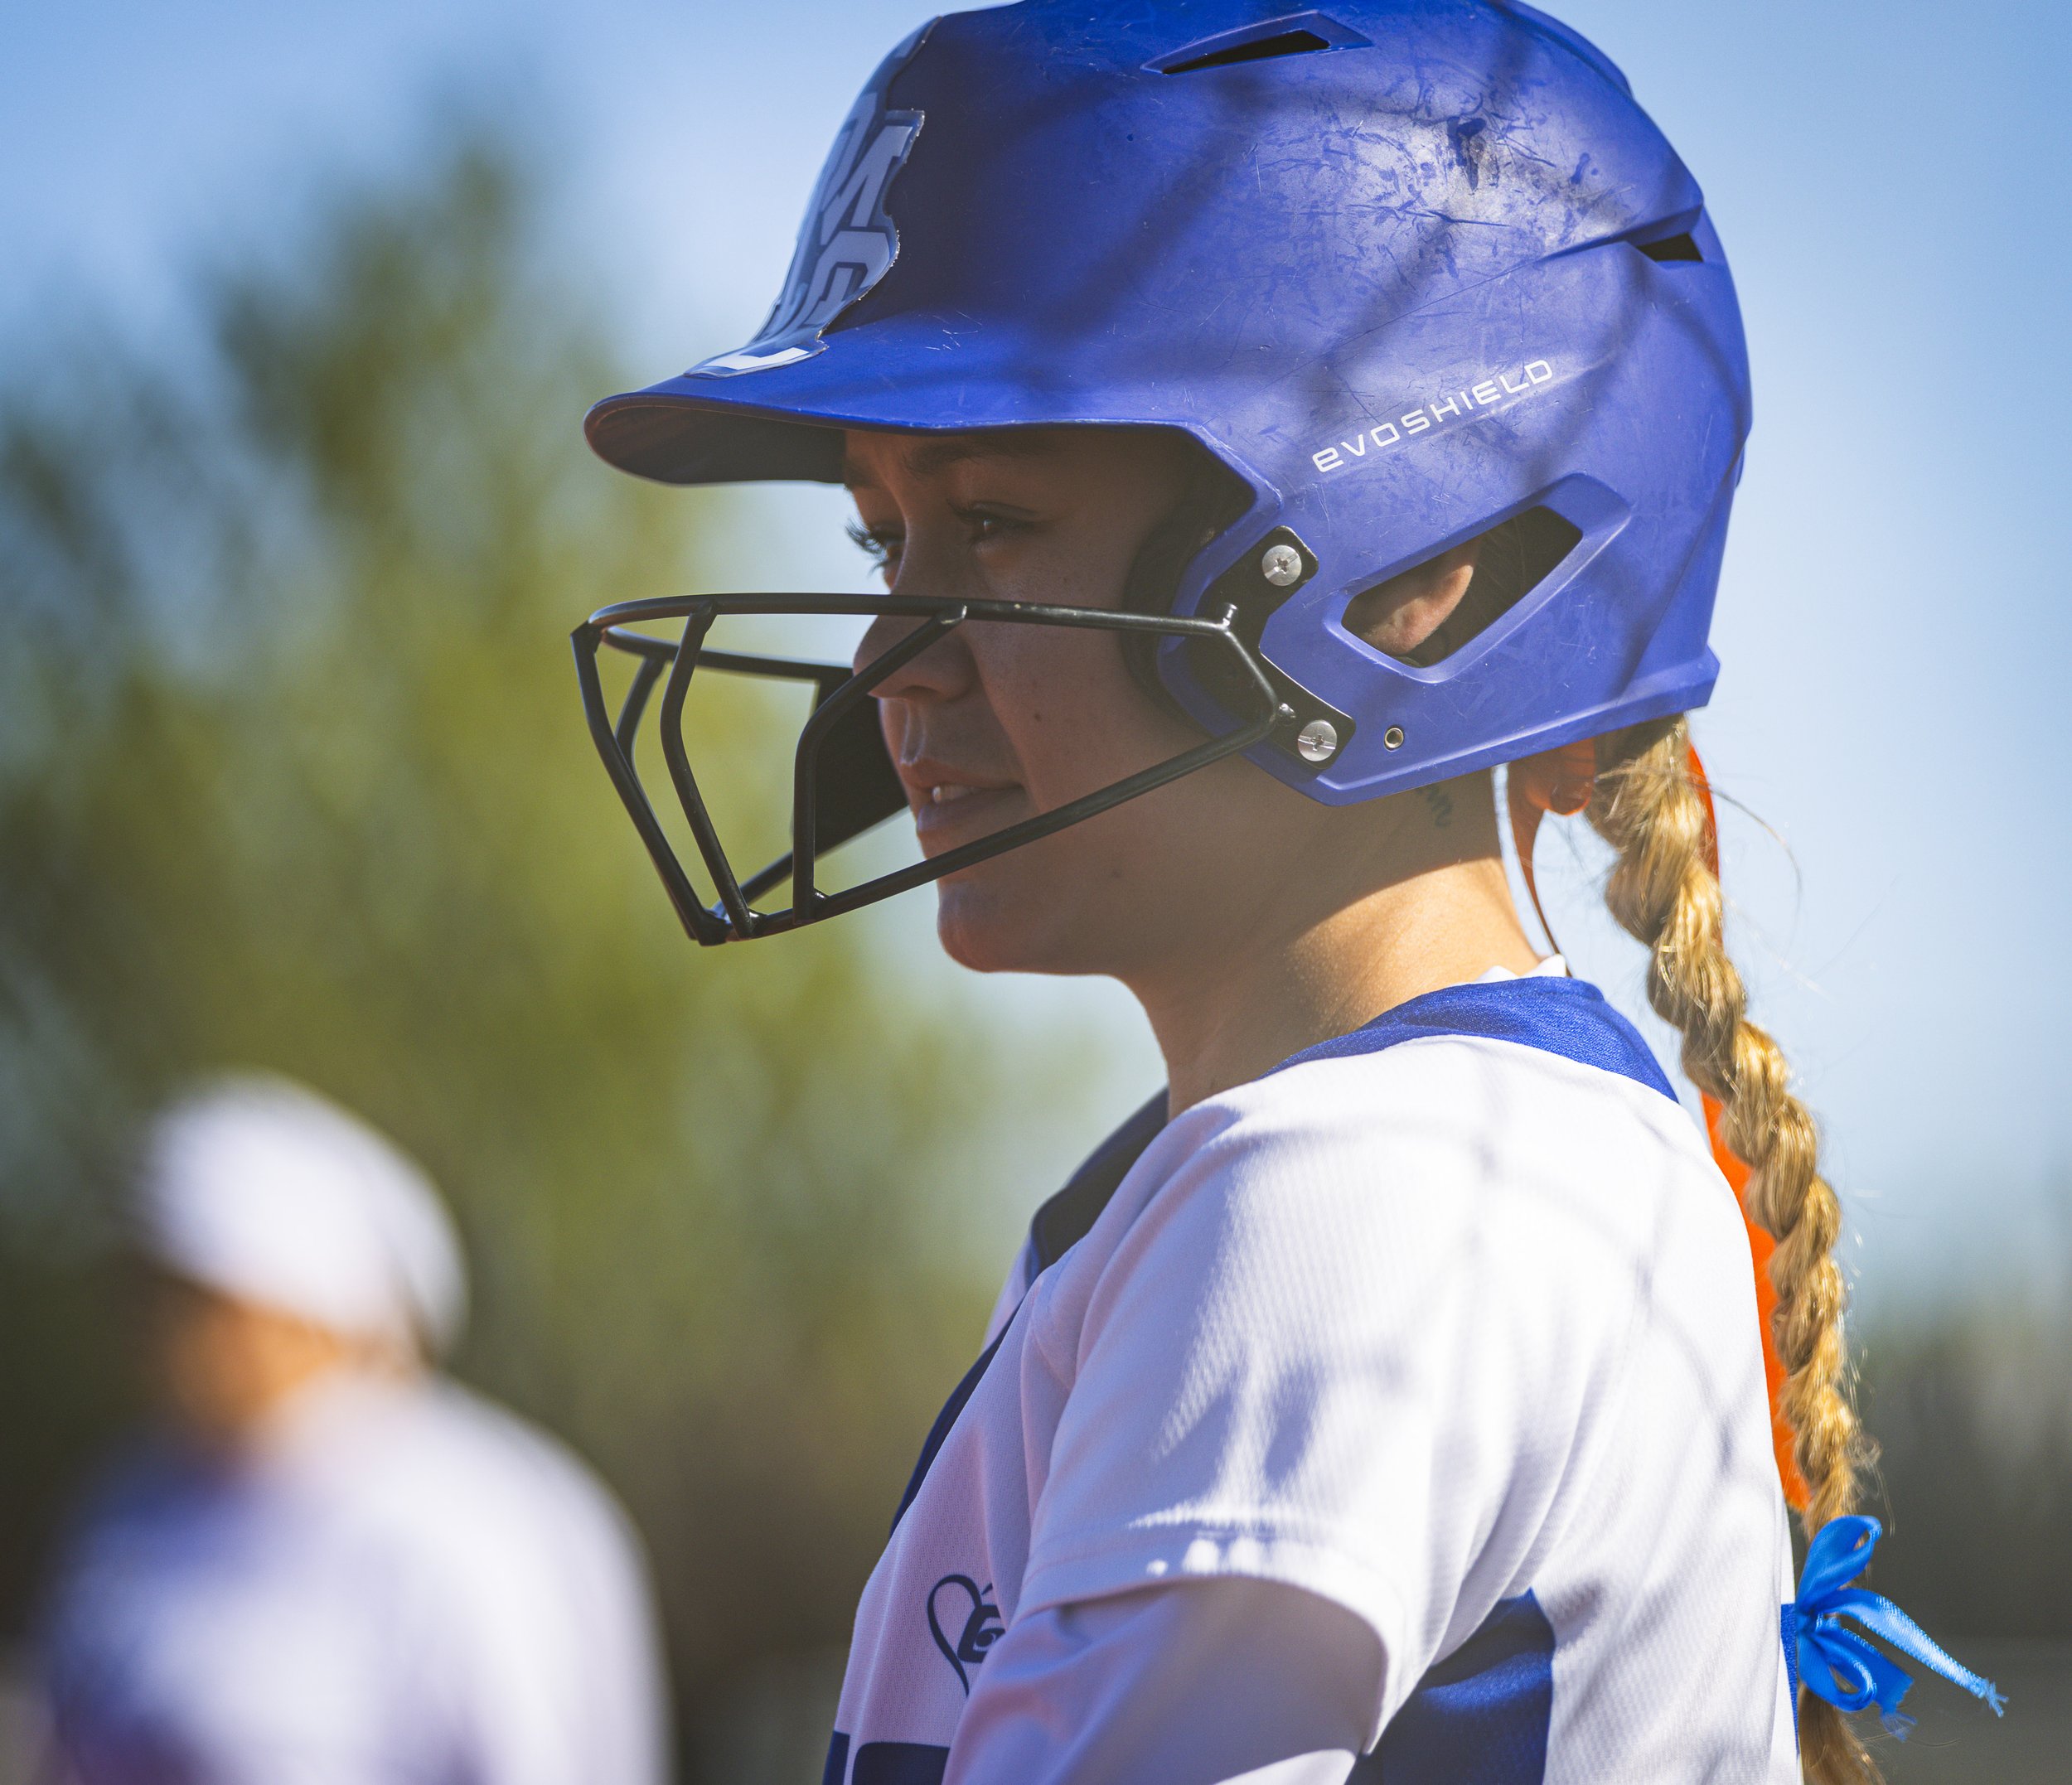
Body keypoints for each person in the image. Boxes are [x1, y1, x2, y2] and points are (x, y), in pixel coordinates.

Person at [569, 3, 2003, 1781]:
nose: (887, 668)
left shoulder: (1361, 1199)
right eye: (884, 541)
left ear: (1418, 574)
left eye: (992, 522)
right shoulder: (1313, 1176)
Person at [33, 1075, 670, 1785]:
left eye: (198, 1301)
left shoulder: (484, 1524)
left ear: (309, 1310)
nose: (162, 1334)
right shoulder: (124, 1505)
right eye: (144, 1294)